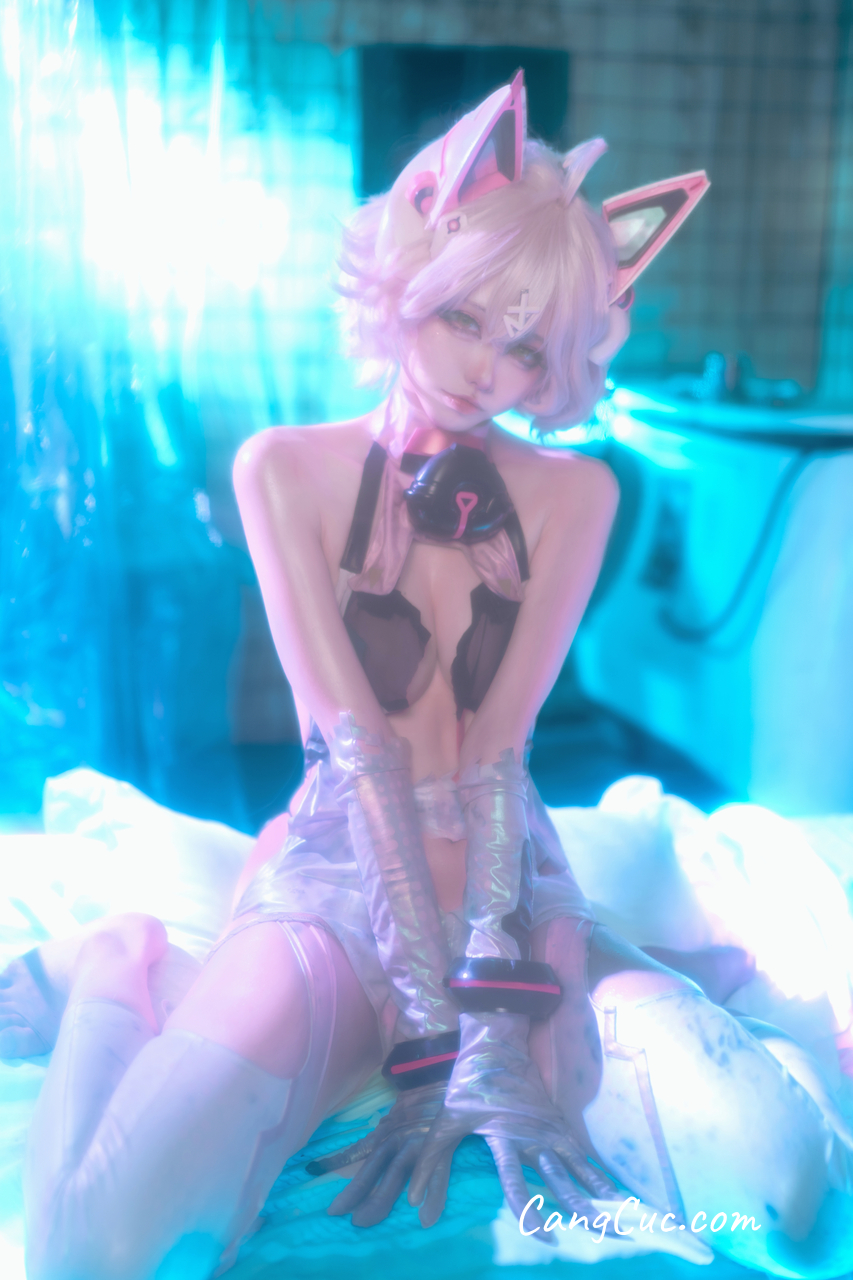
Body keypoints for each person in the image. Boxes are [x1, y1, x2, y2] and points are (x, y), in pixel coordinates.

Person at [1, 71, 852, 1280]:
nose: (485, 369)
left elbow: (500, 750)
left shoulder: (576, 493)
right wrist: (423, 1018)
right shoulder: (281, 470)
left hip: (510, 896)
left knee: (783, 1187)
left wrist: (494, 1014)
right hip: (342, 887)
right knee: (88, 1252)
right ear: (410, 271)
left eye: (525, 345)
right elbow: (358, 751)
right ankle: (118, 961)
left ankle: (672, 975)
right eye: (463, 315)